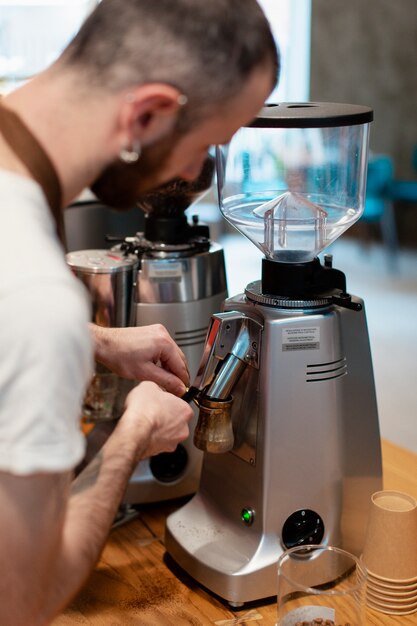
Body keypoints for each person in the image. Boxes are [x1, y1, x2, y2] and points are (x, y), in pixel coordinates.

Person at [0, 0, 279, 623]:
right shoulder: (35, 299)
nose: (195, 175)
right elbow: (23, 599)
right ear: (148, 113)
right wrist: (130, 437)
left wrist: (93, 339)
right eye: (207, 148)